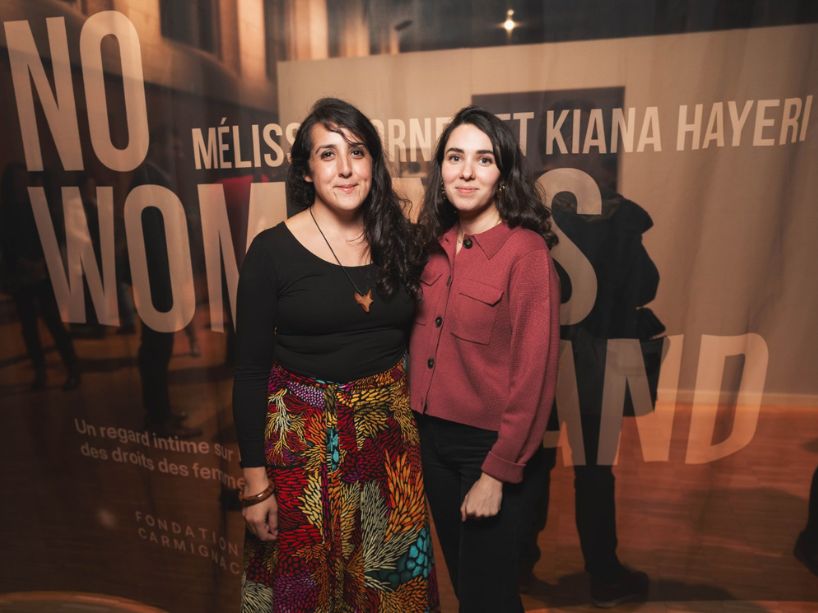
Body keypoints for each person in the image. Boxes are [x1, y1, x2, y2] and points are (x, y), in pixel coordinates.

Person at [232, 98, 438, 612]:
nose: (346, 168)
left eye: (358, 151)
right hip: (300, 444)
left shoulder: (404, 241)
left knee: (392, 588)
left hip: (389, 442)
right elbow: (251, 370)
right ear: (306, 169)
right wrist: (255, 481)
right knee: (304, 592)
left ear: (374, 162)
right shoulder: (271, 251)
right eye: (328, 154)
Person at [411, 106, 560, 612]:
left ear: (503, 174)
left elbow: (535, 375)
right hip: (430, 440)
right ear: (441, 169)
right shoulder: (430, 246)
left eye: (484, 159)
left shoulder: (526, 253)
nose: (467, 172)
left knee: (487, 597)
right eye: (455, 157)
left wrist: (497, 472)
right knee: (467, 585)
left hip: (487, 449)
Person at [0, 163, 80, 391]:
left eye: (23, 180)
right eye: (18, 180)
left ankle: (72, 367)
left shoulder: (38, 208)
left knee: (53, 322)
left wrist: (41, 262)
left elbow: (53, 237)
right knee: (29, 327)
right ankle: (41, 370)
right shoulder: (6, 212)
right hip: (20, 275)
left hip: (42, 273)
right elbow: (6, 244)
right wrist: (21, 262)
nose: (21, 184)